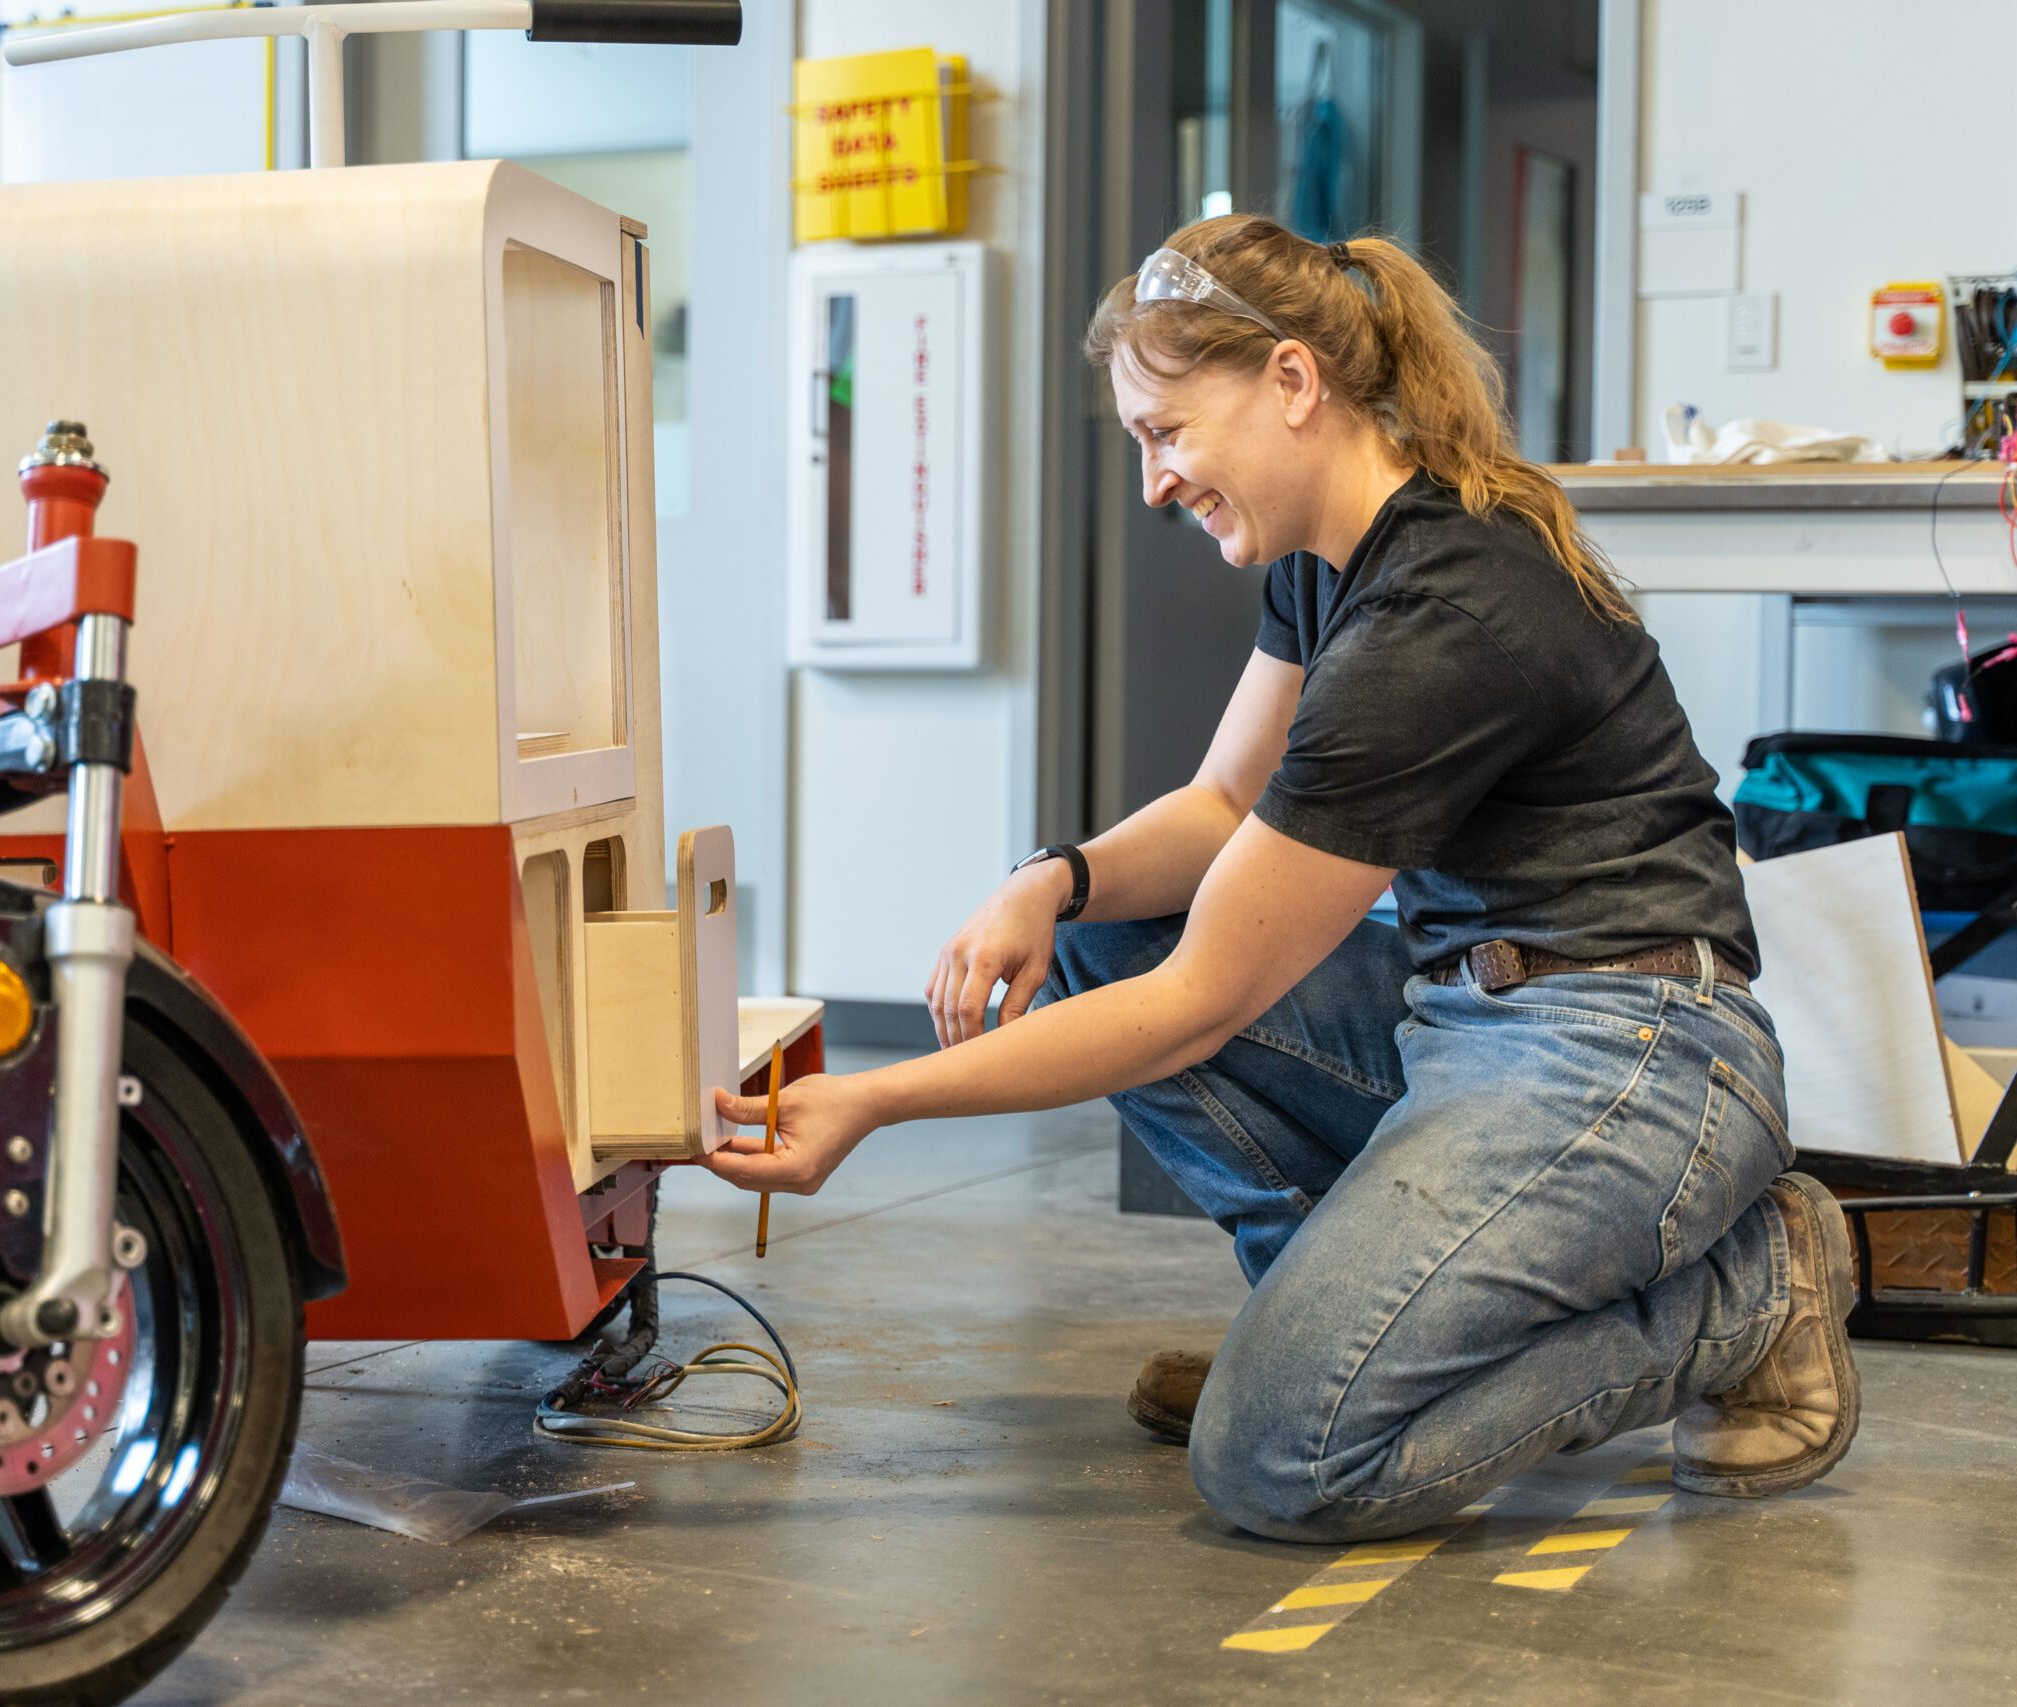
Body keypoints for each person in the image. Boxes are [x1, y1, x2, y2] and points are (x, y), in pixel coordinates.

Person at [702, 214, 1857, 1545]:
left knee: (1275, 1462)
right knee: (1097, 943)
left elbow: (1201, 1004)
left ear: (1293, 385)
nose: (1153, 483)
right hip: (1472, 1021)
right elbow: (1221, 805)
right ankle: (1318, 1333)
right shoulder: (1333, 566)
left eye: (1167, 432)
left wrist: (876, 1100)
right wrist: (1055, 879)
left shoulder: (1441, 616)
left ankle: (1748, 1295)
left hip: (1635, 1057)